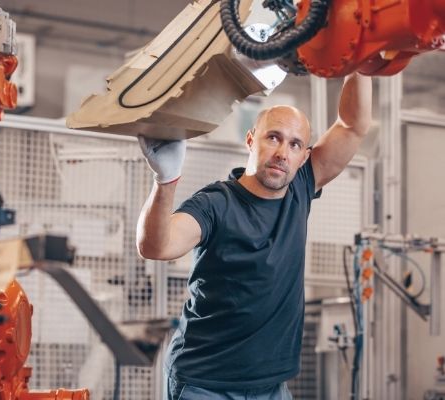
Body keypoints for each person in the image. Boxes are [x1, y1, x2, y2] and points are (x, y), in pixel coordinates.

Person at [136, 73, 372, 400]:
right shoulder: (216, 203)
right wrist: (166, 180)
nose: (282, 152)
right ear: (251, 140)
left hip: (272, 387)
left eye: (294, 144)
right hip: (205, 383)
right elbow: (157, 246)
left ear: (304, 156)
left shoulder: (301, 187)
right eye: (273, 137)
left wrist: (357, 62)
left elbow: (352, 126)